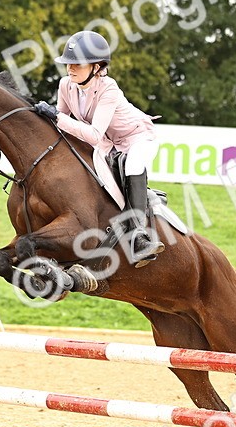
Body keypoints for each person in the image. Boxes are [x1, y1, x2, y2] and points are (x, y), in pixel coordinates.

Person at [40, 30, 164, 267]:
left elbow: (94, 134)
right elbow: (63, 123)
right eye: (69, 63)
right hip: (110, 144)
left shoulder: (110, 89)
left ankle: (139, 235)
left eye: (78, 63)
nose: (70, 68)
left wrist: (55, 116)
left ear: (97, 67)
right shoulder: (66, 85)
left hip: (138, 138)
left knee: (133, 164)